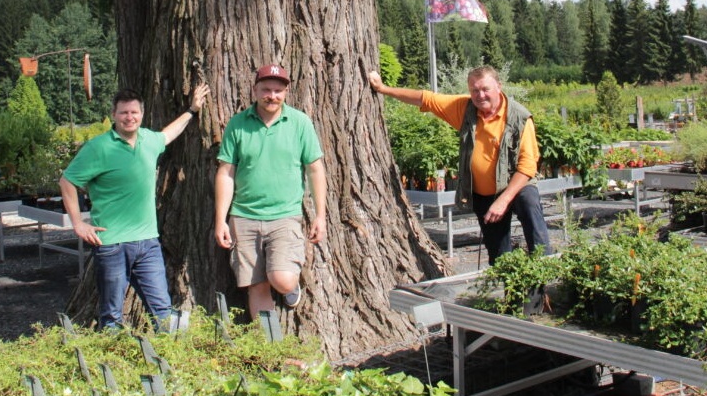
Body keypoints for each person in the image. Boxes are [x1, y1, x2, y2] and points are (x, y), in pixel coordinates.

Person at [60, 83, 210, 329]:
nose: (129, 117)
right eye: (123, 113)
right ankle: (110, 363)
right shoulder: (98, 147)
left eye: (134, 112)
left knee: (162, 311)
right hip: (111, 245)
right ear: (114, 115)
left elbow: (169, 134)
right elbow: (67, 181)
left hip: (148, 243)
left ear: (141, 114)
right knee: (111, 316)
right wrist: (78, 224)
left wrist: (192, 110)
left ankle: (169, 361)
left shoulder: (149, 140)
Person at [367, 66, 549, 265]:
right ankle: (514, 293)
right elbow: (425, 98)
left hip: (514, 187)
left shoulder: (519, 118)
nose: (480, 95)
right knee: (500, 257)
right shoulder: (465, 109)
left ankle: (546, 267)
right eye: (474, 90)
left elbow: (527, 166)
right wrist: (383, 89)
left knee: (529, 202)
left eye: (485, 89)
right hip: (484, 195)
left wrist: (503, 200)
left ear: (499, 86)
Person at [214, 64, 327, 318]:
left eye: (278, 90)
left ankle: (288, 285)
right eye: (266, 89)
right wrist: (220, 220)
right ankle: (271, 348)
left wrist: (320, 216)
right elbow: (226, 173)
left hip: (284, 217)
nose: (272, 96)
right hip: (244, 217)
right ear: (255, 90)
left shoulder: (299, 122)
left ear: (286, 92)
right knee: (257, 285)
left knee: (282, 280)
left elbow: (315, 170)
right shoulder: (238, 124)